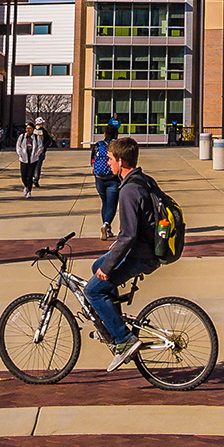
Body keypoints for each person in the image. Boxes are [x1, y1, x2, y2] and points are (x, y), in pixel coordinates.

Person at [84, 137, 162, 368]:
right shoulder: (143, 180)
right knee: (96, 267)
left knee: (93, 290)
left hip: (141, 255)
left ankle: (124, 339)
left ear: (121, 161)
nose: (107, 163)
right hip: (146, 249)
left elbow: (128, 235)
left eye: (109, 159)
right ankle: (112, 321)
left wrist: (109, 268)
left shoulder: (129, 190)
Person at [91, 124, 121, 242]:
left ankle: (106, 226)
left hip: (99, 178)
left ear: (104, 134)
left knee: (104, 202)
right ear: (116, 135)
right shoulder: (116, 146)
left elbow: (92, 161)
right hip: (113, 178)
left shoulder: (98, 145)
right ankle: (107, 225)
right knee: (112, 203)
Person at [15, 117, 50, 198]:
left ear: (33, 129)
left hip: (33, 159)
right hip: (23, 159)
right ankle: (26, 186)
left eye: (30, 128)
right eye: (27, 128)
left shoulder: (37, 138)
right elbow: (18, 146)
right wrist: (20, 154)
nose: (28, 130)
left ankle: (29, 191)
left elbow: (40, 147)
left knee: (30, 175)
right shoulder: (22, 137)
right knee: (24, 176)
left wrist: (37, 155)